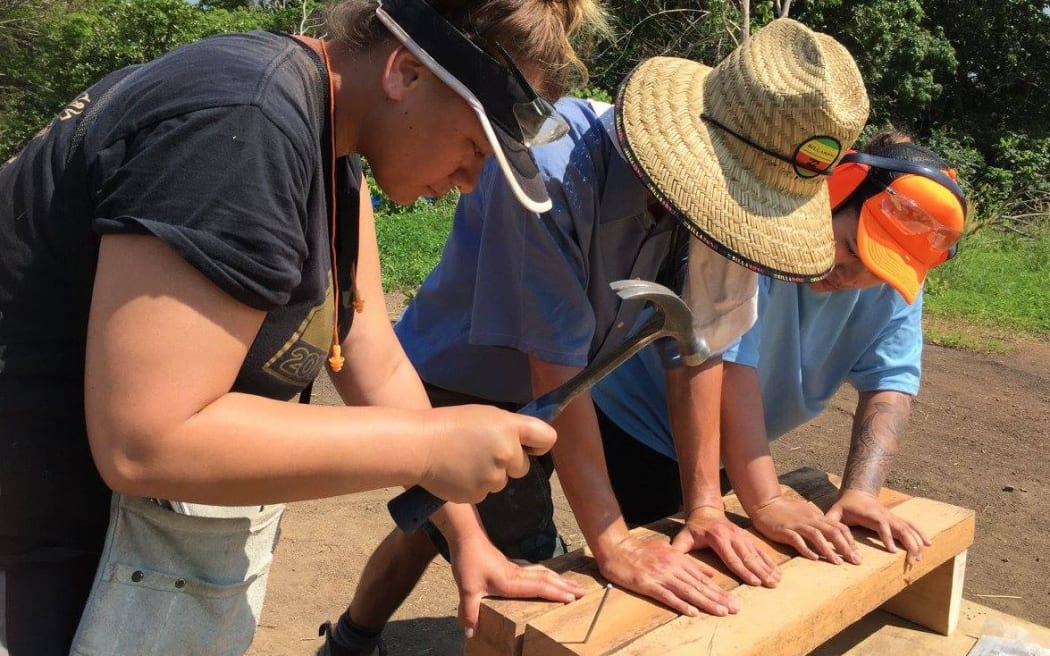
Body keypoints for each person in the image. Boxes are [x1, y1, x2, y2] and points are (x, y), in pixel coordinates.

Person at [0, 0, 611, 654]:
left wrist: (467, 538)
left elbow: (370, 350)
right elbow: (147, 439)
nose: (470, 181)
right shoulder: (243, 123)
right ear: (405, 73)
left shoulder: (330, 149)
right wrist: (428, 445)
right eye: (473, 146)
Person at [328, 18, 870, 656]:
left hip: (558, 388)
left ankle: (348, 640)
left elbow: (697, 353)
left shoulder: (723, 209)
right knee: (537, 573)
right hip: (456, 384)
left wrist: (705, 508)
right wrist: (612, 542)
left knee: (435, 523)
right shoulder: (550, 171)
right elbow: (552, 372)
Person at [590, 130, 967, 566]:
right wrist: (765, 500)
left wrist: (862, 491)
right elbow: (730, 364)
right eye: (851, 247)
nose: (853, 273)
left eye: (877, 267)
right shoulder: (764, 238)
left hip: (733, 439)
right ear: (836, 190)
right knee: (668, 568)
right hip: (639, 420)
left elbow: (891, 380)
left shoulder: (895, 279)